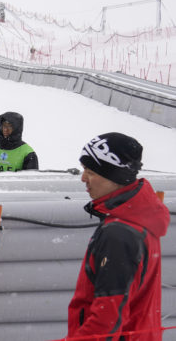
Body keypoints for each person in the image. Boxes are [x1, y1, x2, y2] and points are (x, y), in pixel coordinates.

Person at [67, 133, 169, 340]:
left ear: (115, 176)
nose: (83, 178)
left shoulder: (119, 233)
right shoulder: (139, 219)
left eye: (91, 171)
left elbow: (106, 321)